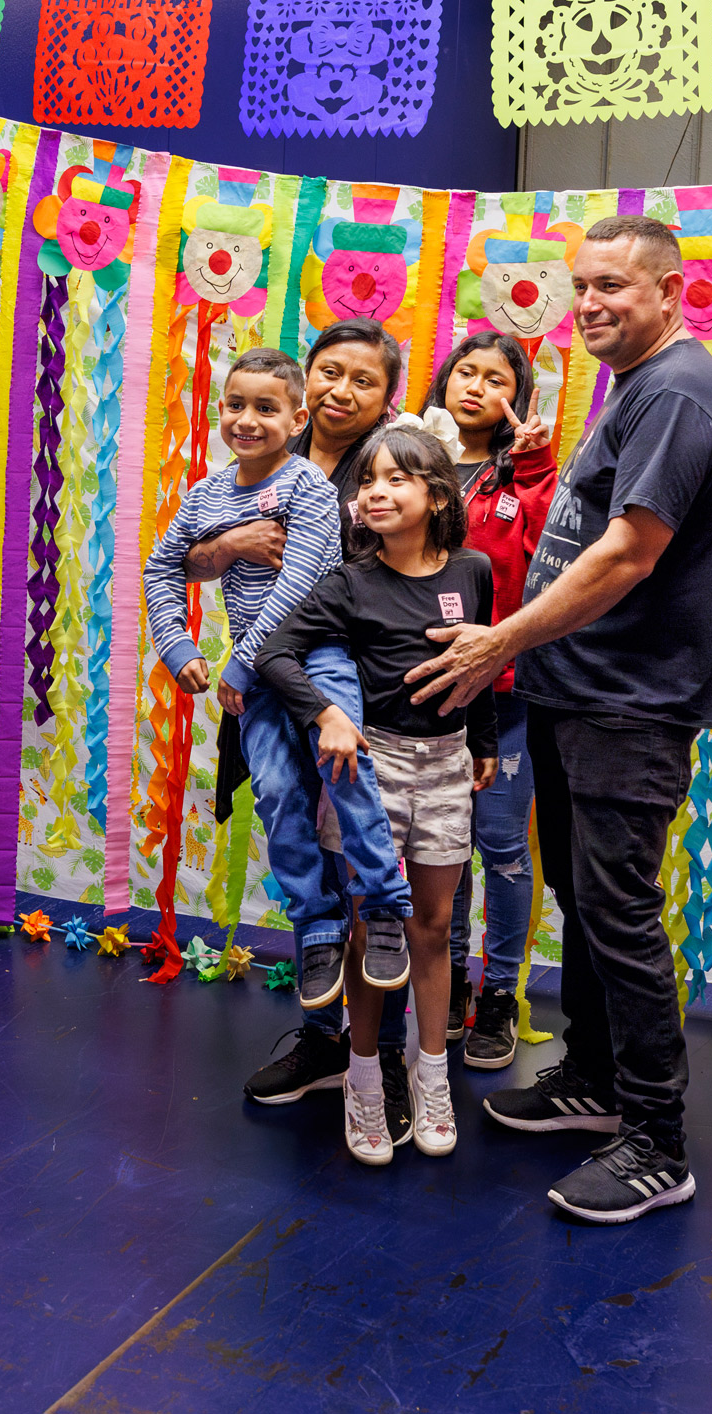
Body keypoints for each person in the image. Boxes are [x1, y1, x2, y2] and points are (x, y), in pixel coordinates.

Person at [406, 215, 712, 1227]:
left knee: (617, 910)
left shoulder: (680, 394)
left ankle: (655, 1140)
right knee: (581, 895)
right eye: (581, 286)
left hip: (627, 699)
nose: (592, 302)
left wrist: (500, 640)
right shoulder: (634, 389)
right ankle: (595, 1080)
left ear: (669, 291)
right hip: (578, 687)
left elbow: (626, 555)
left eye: (613, 285)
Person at [141, 346, 404, 1040]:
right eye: (235, 404)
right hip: (256, 680)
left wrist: (239, 664)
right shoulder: (205, 495)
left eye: (265, 408)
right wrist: (178, 647)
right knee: (279, 793)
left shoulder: (310, 488)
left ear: (296, 418)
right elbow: (162, 567)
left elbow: (302, 581)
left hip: (319, 656)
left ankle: (382, 903)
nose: (247, 419)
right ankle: (316, 925)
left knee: (345, 773)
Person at [257, 424, 496, 1163]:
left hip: (449, 765)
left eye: (397, 479)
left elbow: (478, 660)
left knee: (433, 925)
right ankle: (364, 1081)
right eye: (367, 482)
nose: (377, 492)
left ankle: (431, 1077)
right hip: (373, 773)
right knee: (375, 932)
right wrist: (326, 713)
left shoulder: (474, 570)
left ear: (437, 494)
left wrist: (483, 741)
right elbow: (274, 653)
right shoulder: (349, 582)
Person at [420, 329, 559, 1069]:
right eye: (464, 372)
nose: (475, 387)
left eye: (496, 379)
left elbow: (549, 555)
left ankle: (500, 994)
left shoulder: (528, 475)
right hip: (422, 695)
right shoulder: (407, 459)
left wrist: (534, 463)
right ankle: (450, 993)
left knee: (501, 848)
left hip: (503, 694)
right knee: (441, 850)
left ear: (519, 398)